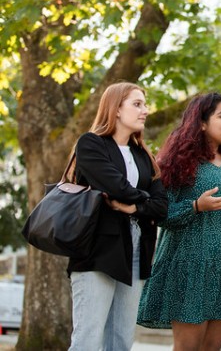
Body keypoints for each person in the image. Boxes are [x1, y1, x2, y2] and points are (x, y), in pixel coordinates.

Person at [137, 93, 221, 350]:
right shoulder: (178, 164)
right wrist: (196, 206)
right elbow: (160, 214)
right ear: (202, 122)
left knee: (212, 348)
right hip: (191, 269)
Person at [68, 82, 168, 351]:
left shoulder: (144, 155)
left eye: (145, 104)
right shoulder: (91, 144)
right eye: (137, 104)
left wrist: (134, 207)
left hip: (137, 248)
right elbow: (116, 187)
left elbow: (162, 206)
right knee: (88, 340)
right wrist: (144, 199)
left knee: (121, 340)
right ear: (115, 109)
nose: (145, 111)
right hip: (98, 250)